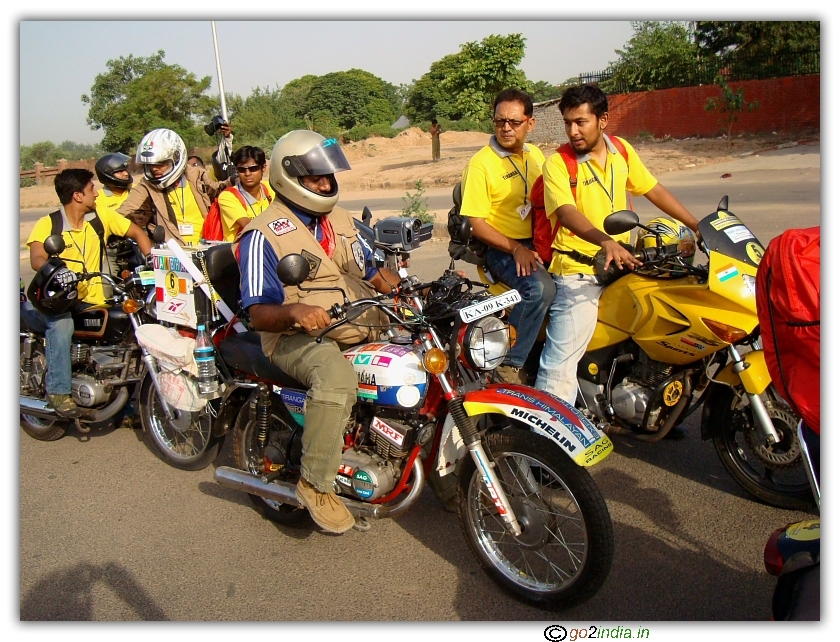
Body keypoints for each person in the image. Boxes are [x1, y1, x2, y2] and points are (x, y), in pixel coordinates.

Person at [235, 130, 402, 534]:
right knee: (335, 377)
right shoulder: (261, 234)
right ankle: (315, 483)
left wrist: (408, 290)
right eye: (316, 178)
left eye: (328, 176)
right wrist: (294, 311)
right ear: (289, 177)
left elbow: (371, 272)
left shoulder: (340, 220)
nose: (326, 185)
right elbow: (257, 313)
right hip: (295, 337)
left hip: (353, 322)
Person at [535, 84, 699, 405]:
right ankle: (544, 428)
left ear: (603, 120)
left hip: (623, 264)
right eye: (568, 123)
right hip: (578, 271)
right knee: (560, 364)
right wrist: (606, 241)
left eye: (580, 122)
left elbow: (652, 189)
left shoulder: (621, 151)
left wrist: (696, 225)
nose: (573, 131)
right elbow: (566, 212)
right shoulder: (558, 163)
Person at [22, 169, 152, 417]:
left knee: (129, 322)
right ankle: (58, 391)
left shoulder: (100, 217)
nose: (97, 193)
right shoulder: (50, 224)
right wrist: (58, 271)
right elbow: (37, 257)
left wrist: (151, 261)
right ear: (78, 195)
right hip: (60, 302)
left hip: (95, 300)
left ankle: (124, 398)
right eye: (92, 189)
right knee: (61, 325)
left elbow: (137, 233)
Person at [459, 87, 553, 384]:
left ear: (530, 123)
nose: (506, 128)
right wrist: (515, 249)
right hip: (501, 248)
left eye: (514, 122)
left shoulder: (535, 155)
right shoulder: (481, 164)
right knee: (539, 289)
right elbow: (476, 223)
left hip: (538, 241)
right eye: (500, 121)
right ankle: (508, 363)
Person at [117, 126, 233, 246]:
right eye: (150, 165)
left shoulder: (197, 176)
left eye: (160, 163)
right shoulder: (146, 187)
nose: (154, 169)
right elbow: (122, 217)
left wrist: (235, 180)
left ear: (177, 158)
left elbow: (218, 190)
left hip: (207, 247)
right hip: (172, 251)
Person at [217, 145, 272, 241]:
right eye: (242, 169)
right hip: (240, 248)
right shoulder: (228, 196)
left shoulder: (270, 188)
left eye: (253, 168)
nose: (247, 174)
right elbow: (248, 226)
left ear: (263, 168)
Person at [94, 153, 133, 218]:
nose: (126, 174)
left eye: (125, 170)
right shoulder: (98, 200)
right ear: (106, 175)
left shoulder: (137, 189)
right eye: (119, 171)